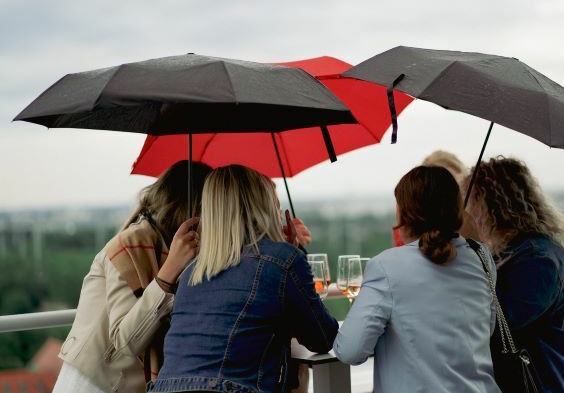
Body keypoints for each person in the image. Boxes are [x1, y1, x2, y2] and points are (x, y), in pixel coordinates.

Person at [148, 165, 338, 393]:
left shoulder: (191, 271)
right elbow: (324, 338)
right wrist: (290, 256)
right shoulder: (282, 261)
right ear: (263, 206)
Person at [334, 165, 500, 393]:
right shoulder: (481, 256)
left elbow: (349, 351)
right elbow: (485, 330)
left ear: (404, 214)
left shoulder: (385, 266)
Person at [52, 160, 213, 393]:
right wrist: (168, 273)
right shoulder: (131, 244)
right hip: (95, 384)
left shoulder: (180, 250)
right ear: (191, 206)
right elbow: (124, 343)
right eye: (210, 207)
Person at [465, 156, 564, 393]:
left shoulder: (539, 260)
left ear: (489, 204)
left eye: (469, 202)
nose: (464, 212)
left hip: (539, 385)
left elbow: (497, 327)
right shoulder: (510, 252)